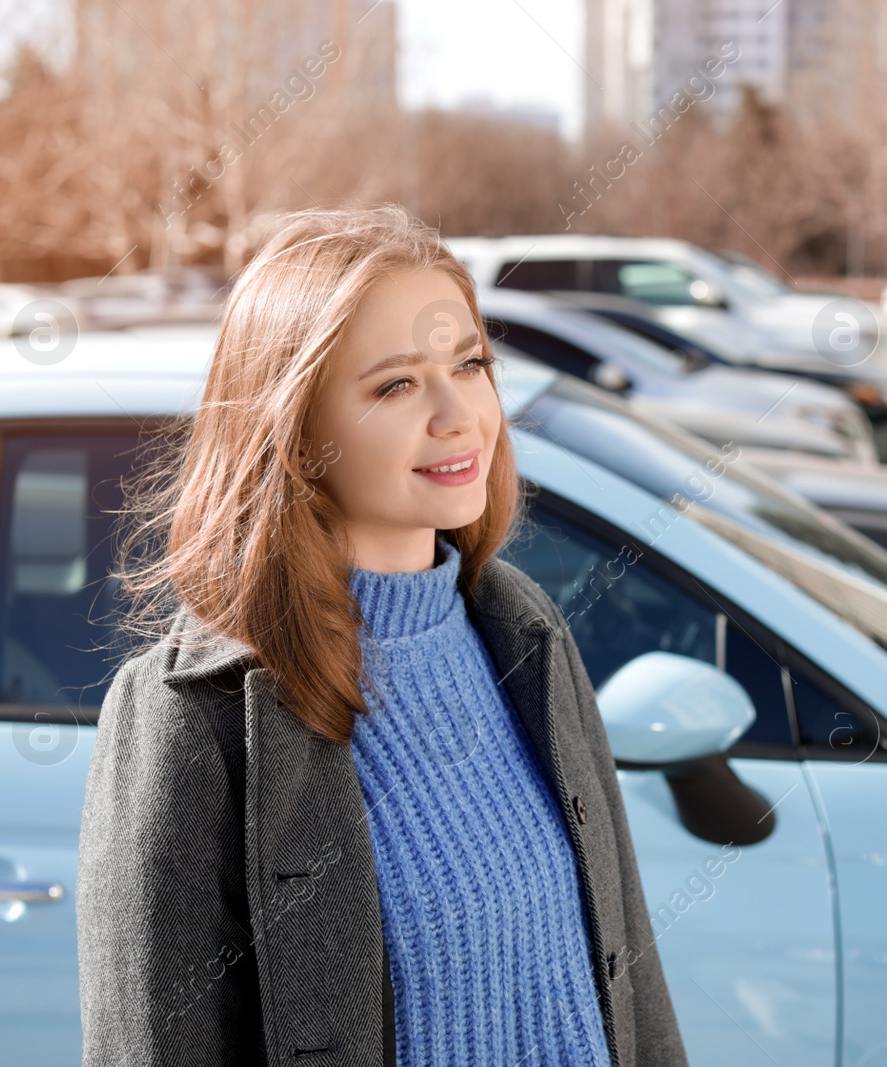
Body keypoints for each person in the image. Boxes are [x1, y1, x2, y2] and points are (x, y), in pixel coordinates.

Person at [76, 205, 688, 1067]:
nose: (459, 414)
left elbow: (637, 997)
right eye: (396, 384)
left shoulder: (524, 635)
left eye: (469, 364)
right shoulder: (194, 713)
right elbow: (153, 1046)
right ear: (296, 429)